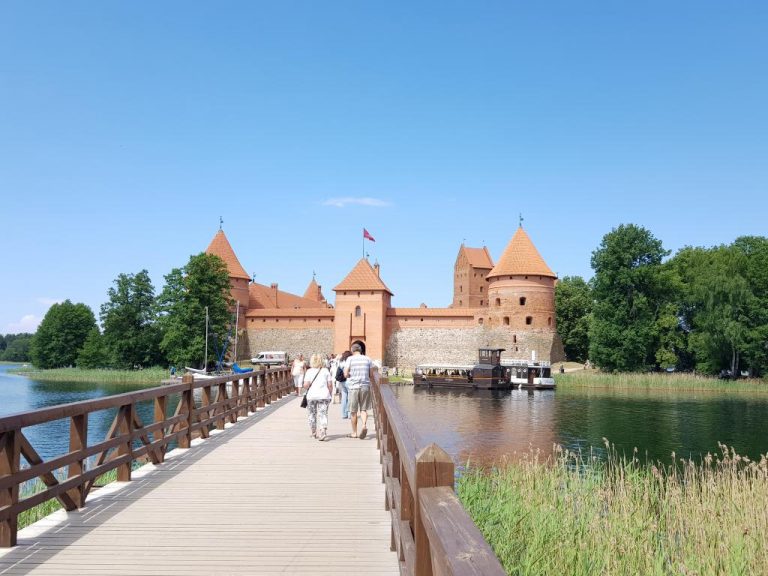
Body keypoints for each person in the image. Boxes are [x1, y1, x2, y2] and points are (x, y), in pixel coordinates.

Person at [343, 343, 375, 439]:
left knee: (353, 411)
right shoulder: (368, 359)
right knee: (363, 409)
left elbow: (345, 374)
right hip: (365, 386)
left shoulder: (350, 359)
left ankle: (354, 432)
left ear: (352, 351)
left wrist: (349, 375)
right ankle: (364, 425)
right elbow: (371, 374)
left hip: (354, 387)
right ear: (361, 350)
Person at [303, 353, 333, 441]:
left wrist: (307, 385)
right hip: (324, 396)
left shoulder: (309, 371)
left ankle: (313, 432)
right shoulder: (325, 371)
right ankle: (323, 430)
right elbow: (330, 385)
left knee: (312, 414)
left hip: (311, 396)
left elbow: (305, 385)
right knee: (323, 414)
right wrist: (330, 394)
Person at [337, 350, 352, 418]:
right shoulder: (349, 362)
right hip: (348, 380)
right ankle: (349, 414)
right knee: (350, 398)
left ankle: (344, 414)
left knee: (344, 397)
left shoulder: (340, 362)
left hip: (342, 381)